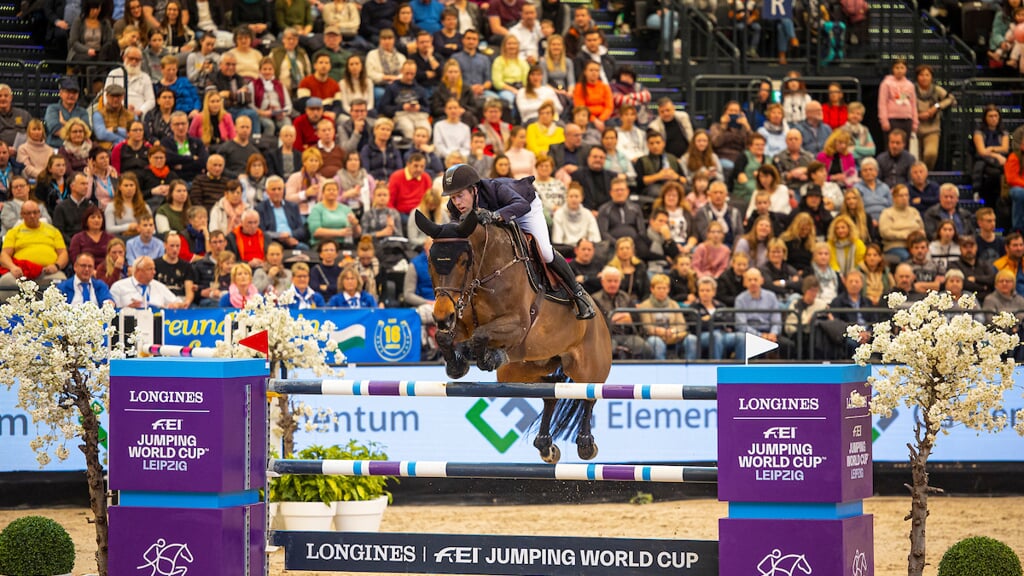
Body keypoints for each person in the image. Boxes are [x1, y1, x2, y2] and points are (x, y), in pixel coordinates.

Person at [441, 163, 595, 318]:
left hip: (525, 208)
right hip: (499, 215)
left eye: (460, 195)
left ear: (474, 190)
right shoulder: (454, 207)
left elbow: (521, 206)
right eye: (453, 197)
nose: (457, 202)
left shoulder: (494, 188)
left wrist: (494, 215)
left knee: (546, 252)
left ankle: (578, 293)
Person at [0, 200, 68, 290]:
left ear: (40, 213)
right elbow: (4, 255)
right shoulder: (13, 232)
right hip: (21, 272)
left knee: (62, 282)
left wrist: (56, 266)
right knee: (5, 282)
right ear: (22, 215)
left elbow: (63, 253)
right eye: (28, 213)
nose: (32, 216)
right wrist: (13, 267)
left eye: (35, 212)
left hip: (48, 272)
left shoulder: (53, 231)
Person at [590, 265, 652, 359]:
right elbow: (598, 321)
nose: (613, 284)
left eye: (616, 281)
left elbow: (635, 317)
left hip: (628, 335)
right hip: (606, 337)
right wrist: (614, 318)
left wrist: (616, 318)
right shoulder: (594, 299)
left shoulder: (626, 297)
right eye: (609, 281)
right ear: (602, 282)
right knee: (609, 350)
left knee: (646, 349)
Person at [637, 273, 688, 360]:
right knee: (657, 343)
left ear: (668, 289)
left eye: (664, 288)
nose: (662, 291)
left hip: (673, 335)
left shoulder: (674, 304)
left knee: (691, 340)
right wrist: (662, 332)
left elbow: (682, 324)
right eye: (659, 288)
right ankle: (661, 369)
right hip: (654, 336)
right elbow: (647, 327)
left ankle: (690, 367)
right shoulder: (645, 305)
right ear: (652, 289)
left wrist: (673, 331)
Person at [257, 176, 309, 249]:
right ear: (267, 192)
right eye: (273, 189)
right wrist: (279, 236)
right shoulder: (260, 209)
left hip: (292, 240)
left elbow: (301, 230)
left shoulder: (293, 206)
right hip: (273, 242)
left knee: (304, 248)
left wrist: (288, 235)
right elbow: (261, 232)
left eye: (279, 189)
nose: (277, 192)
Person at [878, 59, 917, 142]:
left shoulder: (910, 85)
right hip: (892, 119)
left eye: (902, 68)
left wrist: (915, 122)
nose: (899, 70)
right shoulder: (886, 83)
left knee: (905, 146)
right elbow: (882, 103)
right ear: (893, 69)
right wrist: (884, 121)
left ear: (906, 69)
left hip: (907, 120)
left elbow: (913, 104)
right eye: (897, 68)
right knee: (892, 145)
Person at [154, 232, 196, 307]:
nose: (175, 249)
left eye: (178, 246)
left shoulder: (186, 266)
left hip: (180, 300)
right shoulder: (155, 264)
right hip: (161, 301)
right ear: (165, 245)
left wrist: (186, 303)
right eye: (172, 246)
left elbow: (189, 291)